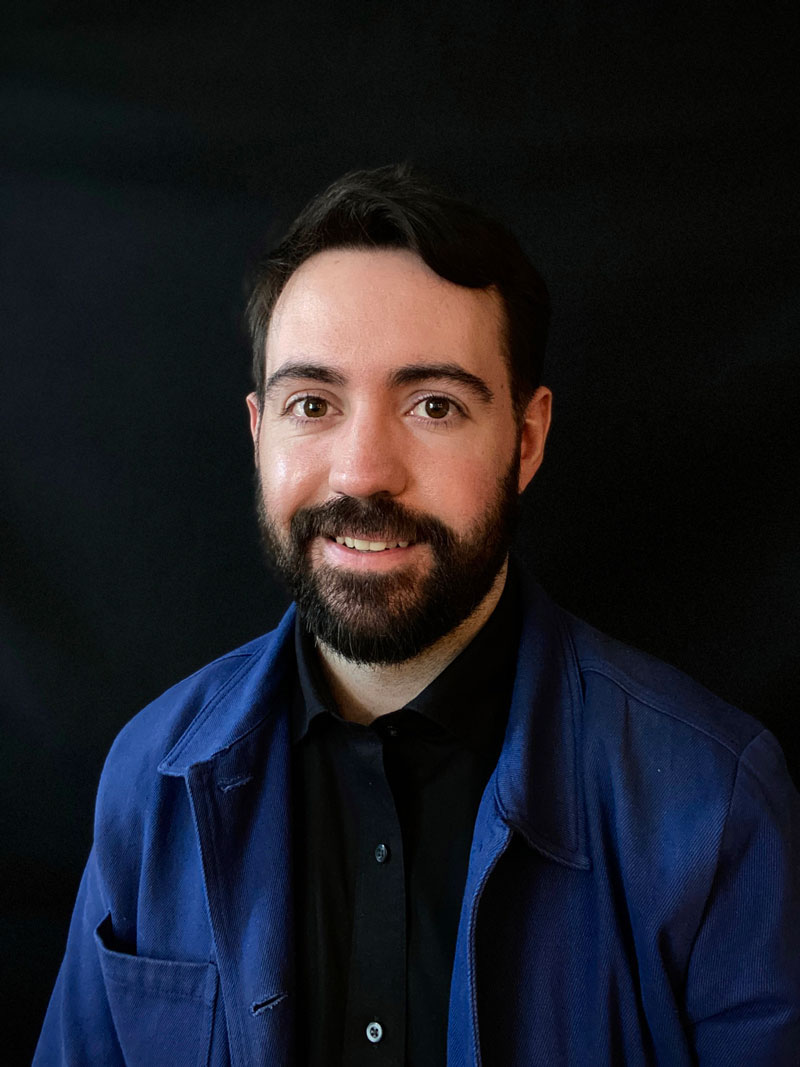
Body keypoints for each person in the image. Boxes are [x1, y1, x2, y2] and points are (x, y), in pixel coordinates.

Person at [35, 165, 799, 1066]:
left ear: (527, 438)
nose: (363, 472)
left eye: (433, 405)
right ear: (258, 432)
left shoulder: (715, 805)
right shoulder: (147, 779)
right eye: (311, 404)